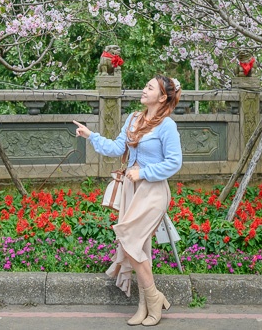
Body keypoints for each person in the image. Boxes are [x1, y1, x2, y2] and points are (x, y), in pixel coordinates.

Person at [74, 75, 183, 327]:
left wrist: (143, 172)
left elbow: (174, 162)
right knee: (139, 247)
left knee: (129, 238)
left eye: (150, 87)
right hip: (130, 190)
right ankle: (145, 305)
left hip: (153, 191)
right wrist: (91, 136)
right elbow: (116, 147)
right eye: (145, 86)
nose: (144, 90)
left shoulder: (167, 126)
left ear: (162, 97)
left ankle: (154, 298)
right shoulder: (134, 119)